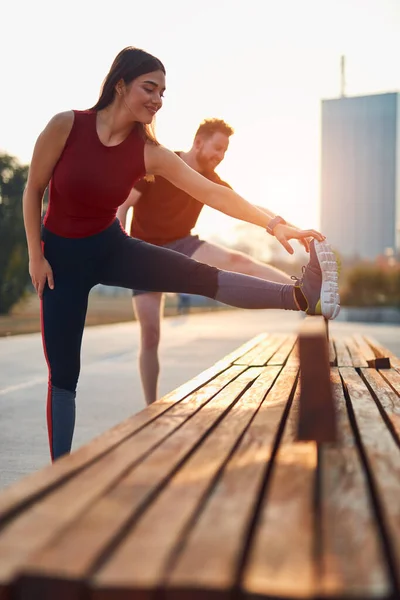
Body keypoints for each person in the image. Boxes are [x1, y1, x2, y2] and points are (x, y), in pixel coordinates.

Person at [23, 46, 340, 462]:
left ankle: (302, 295)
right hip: (60, 260)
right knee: (64, 375)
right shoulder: (67, 125)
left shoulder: (149, 153)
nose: (157, 100)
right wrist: (36, 254)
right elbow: (33, 189)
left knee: (199, 276)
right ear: (120, 85)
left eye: (163, 93)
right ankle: (59, 472)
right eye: (149, 88)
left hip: (110, 247)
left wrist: (275, 223)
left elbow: (213, 193)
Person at [117, 118, 297, 404]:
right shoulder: (161, 164)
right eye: (217, 148)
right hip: (144, 251)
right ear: (198, 142)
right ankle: (150, 407)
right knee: (150, 336)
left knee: (236, 259)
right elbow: (124, 205)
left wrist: (280, 223)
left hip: (182, 244)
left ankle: (302, 292)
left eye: (225, 151)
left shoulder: (210, 179)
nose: (220, 156)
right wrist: (121, 245)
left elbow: (244, 205)